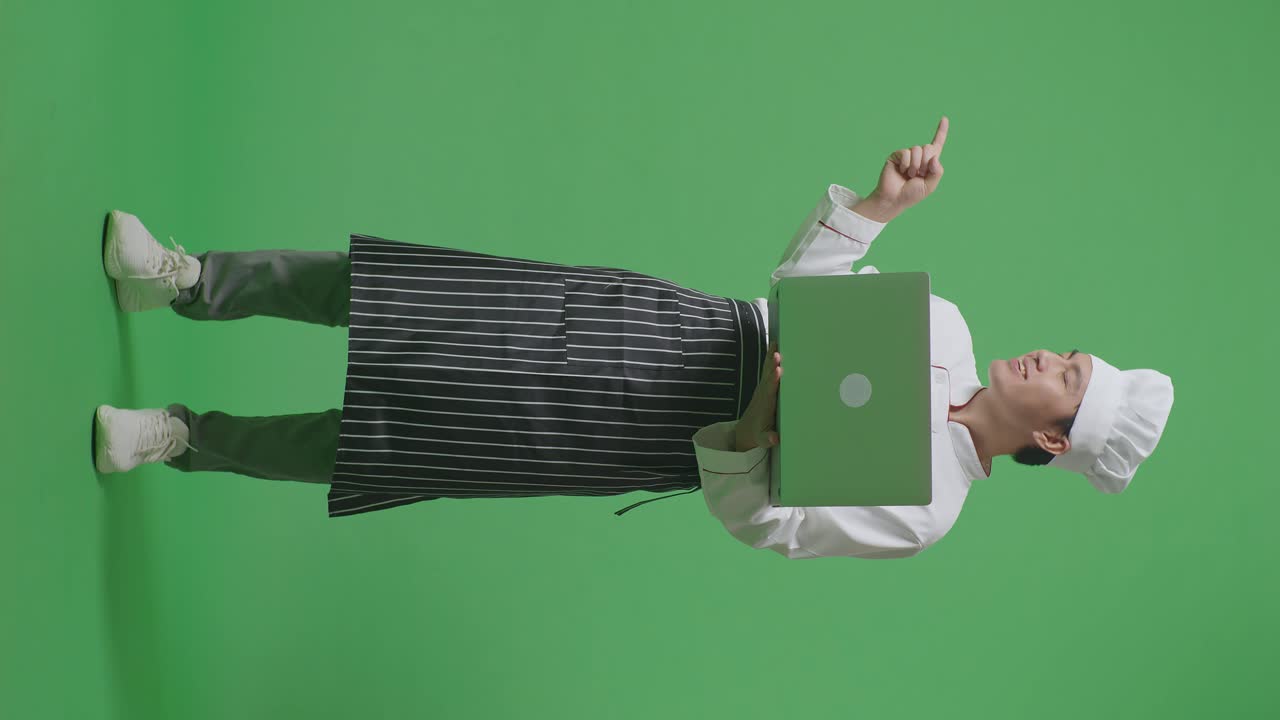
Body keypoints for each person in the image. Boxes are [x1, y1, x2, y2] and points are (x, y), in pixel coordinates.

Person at [93, 116, 1174, 558]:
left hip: (632, 434)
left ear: (1047, 443)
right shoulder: (940, 324)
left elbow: (759, 523)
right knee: (415, 292)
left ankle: (182, 438)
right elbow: (803, 281)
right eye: (1068, 351)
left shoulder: (928, 506)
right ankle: (184, 283)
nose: (1047, 358)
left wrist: (757, 421)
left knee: (406, 438)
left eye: (1066, 381)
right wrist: (882, 207)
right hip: (661, 324)